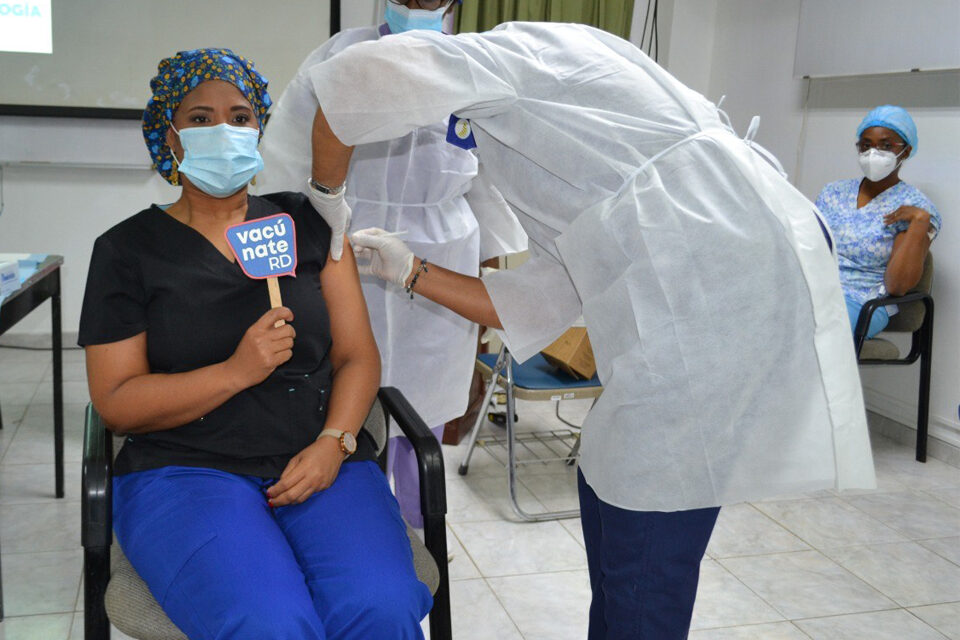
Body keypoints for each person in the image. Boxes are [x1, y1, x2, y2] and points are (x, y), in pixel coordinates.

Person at [301, 22, 877, 639]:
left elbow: (356, 80)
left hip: (718, 272)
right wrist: (410, 268)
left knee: (653, 514)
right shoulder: (563, 148)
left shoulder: (520, 51)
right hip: (699, 261)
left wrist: (325, 195)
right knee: (613, 474)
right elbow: (535, 299)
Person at [78, 48, 431, 640]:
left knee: (382, 608)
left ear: (260, 127)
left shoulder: (307, 224)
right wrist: (237, 370)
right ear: (169, 135)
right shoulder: (126, 251)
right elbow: (115, 401)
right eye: (200, 118)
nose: (225, 131)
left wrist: (334, 443)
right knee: (269, 624)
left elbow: (357, 357)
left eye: (241, 117)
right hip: (185, 472)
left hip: (321, 460)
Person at [256, 0, 526, 529]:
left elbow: (492, 188)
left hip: (443, 260)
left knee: (424, 409)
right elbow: (287, 161)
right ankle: (356, 522)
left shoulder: (477, 65)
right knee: (347, 395)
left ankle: (416, 527)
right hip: (350, 244)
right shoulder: (342, 54)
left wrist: (485, 315)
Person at [815, 105, 940, 340]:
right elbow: (809, 249)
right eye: (866, 144)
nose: (874, 152)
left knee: (816, 336)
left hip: (864, 302)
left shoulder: (916, 207)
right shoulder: (833, 192)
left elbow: (897, 286)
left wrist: (920, 223)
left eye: (886, 145)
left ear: (906, 150)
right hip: (815, 291)